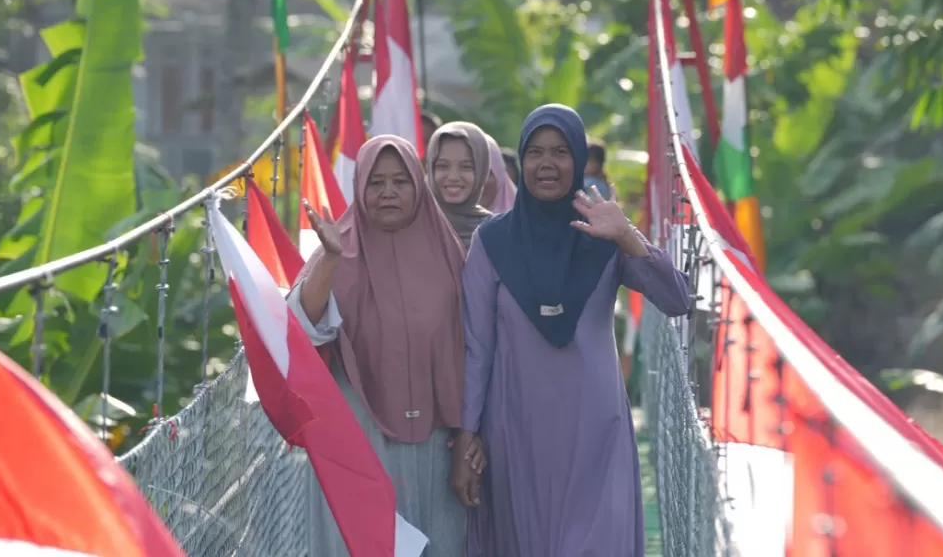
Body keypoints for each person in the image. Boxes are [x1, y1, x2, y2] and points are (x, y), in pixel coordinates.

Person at [454, 104, 690, 556]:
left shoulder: (605, 231)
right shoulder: (492, 241)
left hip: (596, 429)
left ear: (579, 160)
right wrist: (466, 436)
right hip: (515, 430)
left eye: (560, 152)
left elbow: (676, 300)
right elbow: (476, 347)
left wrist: (627, 237)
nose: (546, 163)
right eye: (535, 152)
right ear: (521, 161)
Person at [293, 135, 483, 556]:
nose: (389, 192)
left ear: (419, 185)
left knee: (435, 538)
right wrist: (329, 260)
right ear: (360, 187)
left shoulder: (448, 251)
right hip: (359, 438)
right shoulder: (337, 243)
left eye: (400, 181)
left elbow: (475, 346)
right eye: (376, 182)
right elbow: (301, 329)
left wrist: (472, 435)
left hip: (436, 445)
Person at [426, 122, 495, 250]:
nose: (453, 177)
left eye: (466, 167)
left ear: (482, 170)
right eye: (442, 166)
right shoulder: (414, 227)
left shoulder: (497, 232)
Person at [480, 133, 516, 213]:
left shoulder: (523, 219)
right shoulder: (448, 221)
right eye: (470, 170)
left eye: (488, 173)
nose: (480, 182)